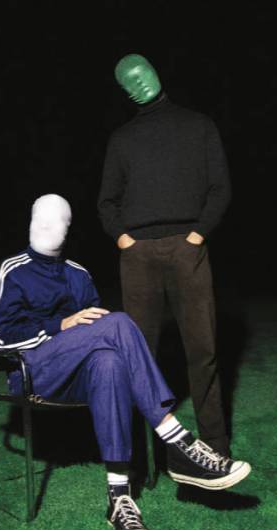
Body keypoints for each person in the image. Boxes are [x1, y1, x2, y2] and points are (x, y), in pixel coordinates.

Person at [0, 193, 251, 530]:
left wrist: (83, 330)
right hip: (33, 372)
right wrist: (60, 325)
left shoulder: (78, 274)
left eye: (59, 221)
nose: (49, 228)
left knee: (109, 362)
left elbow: (98, 340)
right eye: (42, 219)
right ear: (30, 222)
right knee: (119, 323)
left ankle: (119, 499)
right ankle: (179, 441)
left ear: (68, 229)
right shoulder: (13, 269)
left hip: (74, 376)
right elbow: (0, 340)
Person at [97, 53, 234, 458]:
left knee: (203, 350)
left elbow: (220, 188)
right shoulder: (122, 139)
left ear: (157, 73)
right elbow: (106, 201)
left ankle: (215, 446)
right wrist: (124, 239)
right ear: (124, 92)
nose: (138, 83)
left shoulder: (198, 125)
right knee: (140, 356)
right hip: (138, 256)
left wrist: (197, 235)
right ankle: (142, 455)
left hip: (186, 249)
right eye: (128, 81)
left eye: (142, 74)